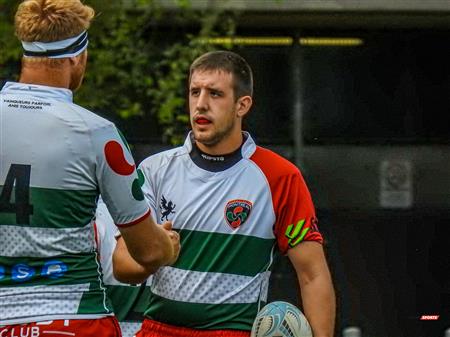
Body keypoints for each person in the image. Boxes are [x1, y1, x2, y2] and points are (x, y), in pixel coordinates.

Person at [113, 50, 336, 337]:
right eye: (195, 92)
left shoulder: (280, 177)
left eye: (215, 94)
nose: (201, 104)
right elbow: (121, 265)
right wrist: (154, 255)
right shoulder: (155, 170)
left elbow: (313, 275)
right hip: (159, 330)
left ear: (242, 105)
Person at [0, 1, 179, 336]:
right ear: (75, 57)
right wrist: (167, 244)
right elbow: (148, 251)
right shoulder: (97, 133)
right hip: (73, 318)